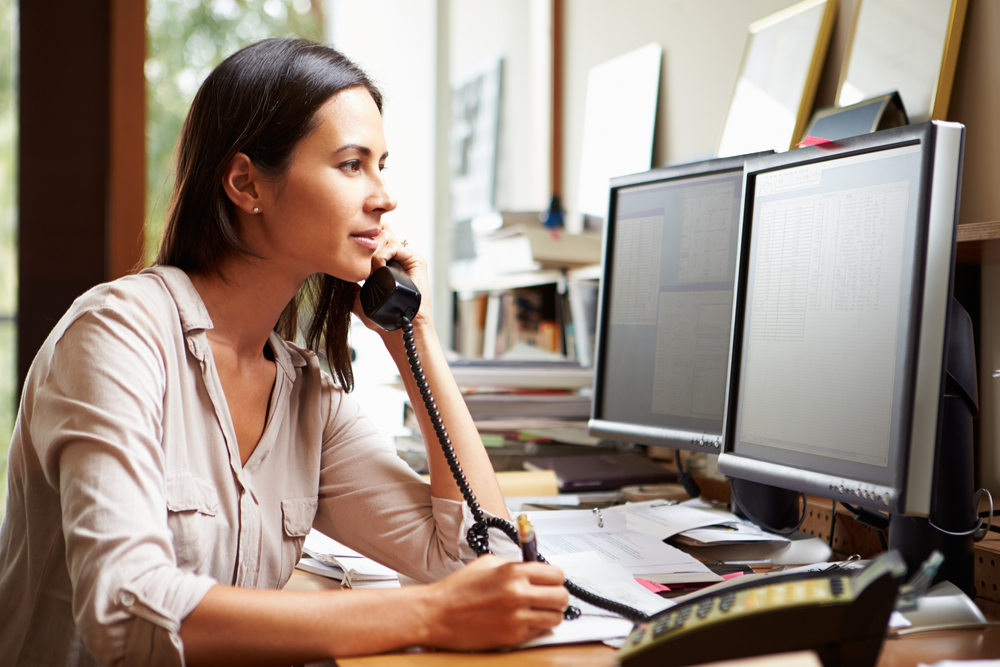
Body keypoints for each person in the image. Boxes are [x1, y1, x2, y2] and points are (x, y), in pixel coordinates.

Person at [0, 37, 569, 667]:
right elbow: (127, 615)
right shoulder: (115, 336)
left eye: (381, 165)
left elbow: (486, 562)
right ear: (247, 183)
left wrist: (416, 338)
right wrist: (430, 613)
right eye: (351, 165)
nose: (384, 196)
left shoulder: (305, 399)